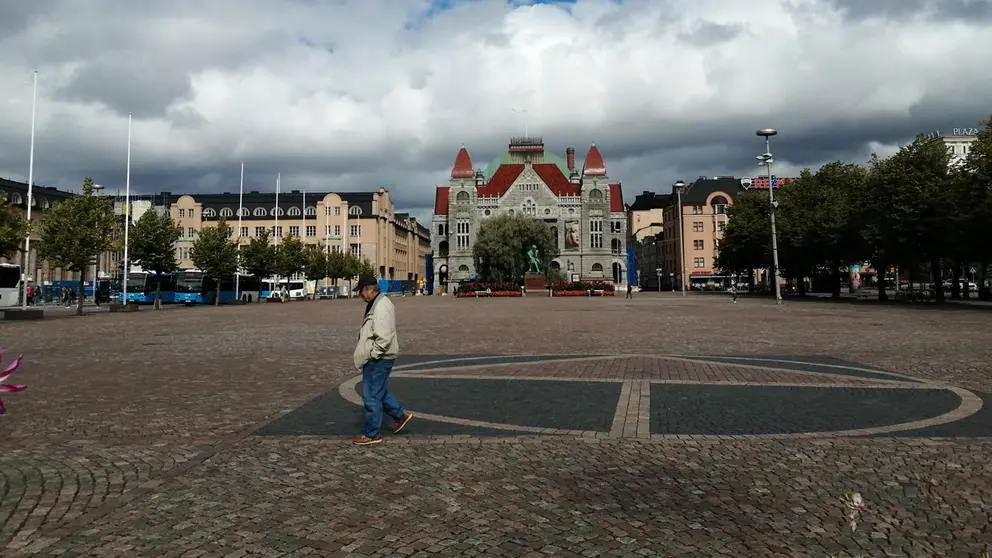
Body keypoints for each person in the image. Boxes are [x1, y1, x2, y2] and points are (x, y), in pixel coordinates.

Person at [352, 275, 413, 445]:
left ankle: (372, 434)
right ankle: (401, 414)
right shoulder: (377, 303)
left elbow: (384, 336)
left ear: (370, 290)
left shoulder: (381, 306)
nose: (360, 296)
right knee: (378, 391)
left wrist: (373, 354)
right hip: (382, 355)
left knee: (371, 395)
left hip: (380, 357)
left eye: (361, 292)